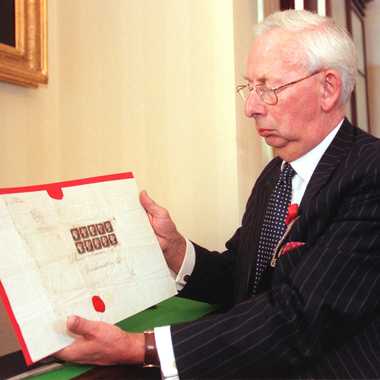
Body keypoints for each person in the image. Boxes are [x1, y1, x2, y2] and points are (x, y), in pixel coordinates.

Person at [56, 9, 380, 379]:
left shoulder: (370, 172)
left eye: (268, 89)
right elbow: (245, 277)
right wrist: (177, 250)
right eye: (249, 88)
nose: (250, 108)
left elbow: (298, 318)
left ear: (328, 88)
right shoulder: (276, 175)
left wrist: (139, 347)